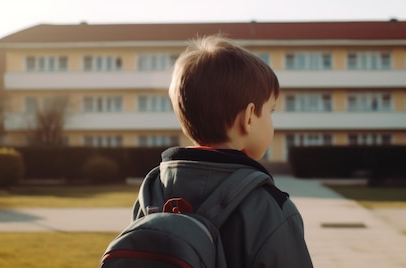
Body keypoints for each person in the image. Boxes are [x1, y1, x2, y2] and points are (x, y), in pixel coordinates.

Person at [132, 34, 314, 267]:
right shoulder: (269, 206)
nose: (271, 121)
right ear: (249, 117)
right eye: (271, 111)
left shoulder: (152, 191)